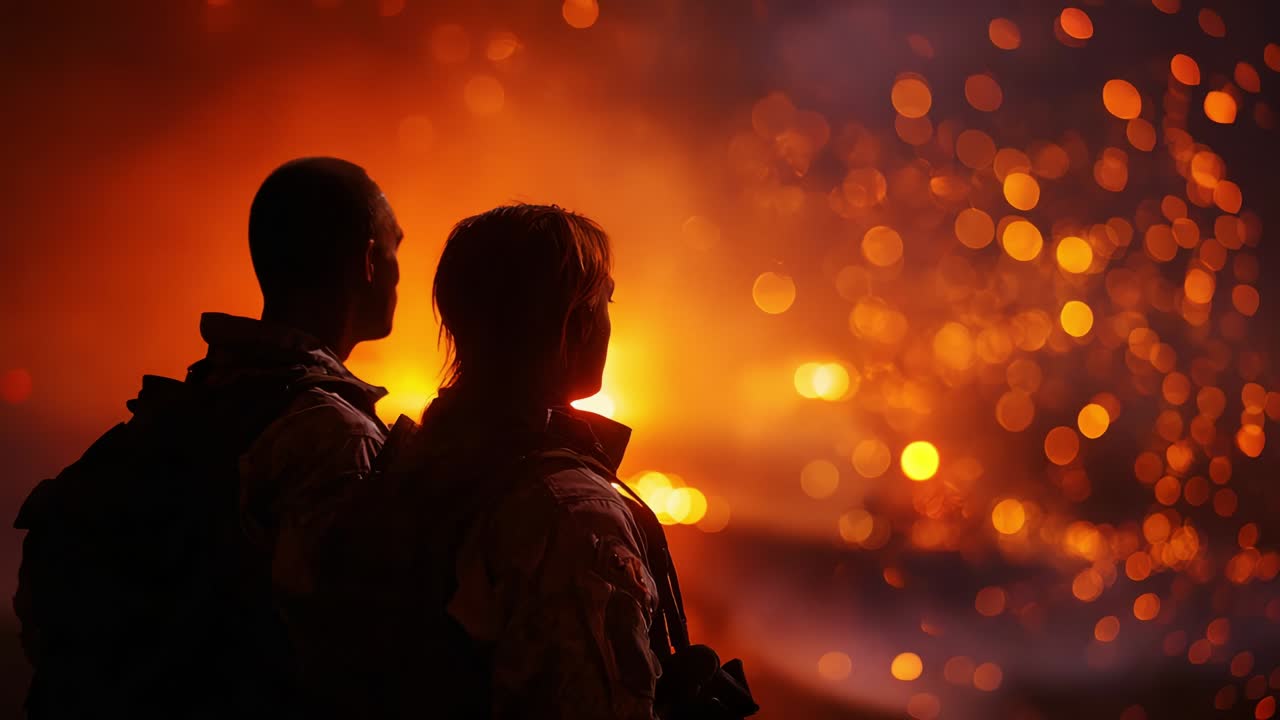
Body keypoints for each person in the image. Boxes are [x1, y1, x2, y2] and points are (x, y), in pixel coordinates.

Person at [13, 156, 403, 718]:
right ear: (369, 261)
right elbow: (353, 659)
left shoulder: (175, 414)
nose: (398, 271)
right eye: (395, 247)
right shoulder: (330, 436)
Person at [331, 204, 755, 719]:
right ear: (574, 323)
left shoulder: (413, 464)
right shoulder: (572, 512)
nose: (606, 323)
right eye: (604, 303)